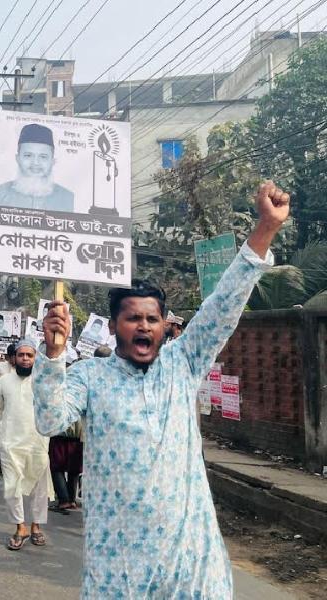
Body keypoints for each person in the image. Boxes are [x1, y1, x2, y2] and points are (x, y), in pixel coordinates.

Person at [33, 181, 290, 597]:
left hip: (189, 561)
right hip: (119, 568)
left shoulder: (182, 362)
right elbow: (49, 419)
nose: (144, 326)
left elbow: (223, 306)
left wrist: (265, 230)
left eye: (152, 319)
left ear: (164, 325)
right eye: (133, 318)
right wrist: (53, 355)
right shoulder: (89, 377)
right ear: (115, 325)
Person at [0, 339, 50, 551]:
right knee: (12, 488)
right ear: (14, 358)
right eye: (21, 355)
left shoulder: (42, 381)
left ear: (35, 359)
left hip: (38, 442)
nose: (25, 358)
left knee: (39, 489)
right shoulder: (4, 381)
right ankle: (20, 527)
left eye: (29, 355)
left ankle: (36, 526)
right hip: (10, 443)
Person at [0, 123, 75, 212]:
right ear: (18, 158)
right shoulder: (0, 194)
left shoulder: (68, 198)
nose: (35, 163)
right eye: (28, 155)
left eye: (43, 157)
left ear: (52, 161)